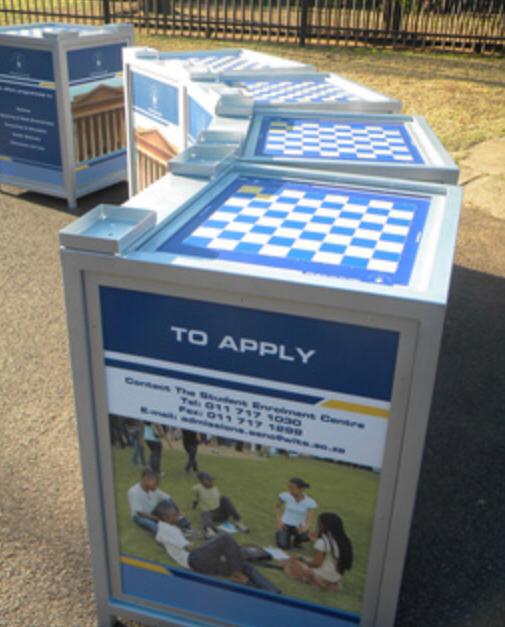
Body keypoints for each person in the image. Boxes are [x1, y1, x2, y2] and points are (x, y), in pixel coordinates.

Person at [155, 504, 279, 593]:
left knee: (244, 565)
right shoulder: (169, 530)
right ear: (166, 518)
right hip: (194, 559)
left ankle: (271, 592)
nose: (177, 517)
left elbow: (159, 540)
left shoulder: (163, 528)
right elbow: (190, 548)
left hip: (198, 565)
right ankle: (237, 573)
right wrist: (212, 551)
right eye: (174, 515)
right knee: (225, 538)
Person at [283, 513, 353, 590]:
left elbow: (316, 564)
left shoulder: (323, 542)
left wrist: (301, 559)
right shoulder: (343, 540)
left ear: (323, 526)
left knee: (292, 561)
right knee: (301, 559)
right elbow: (326, 554)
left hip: (323, 575)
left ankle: (317, 581)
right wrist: (315, 541)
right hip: (334, 576)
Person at [128, 469, 191, 534]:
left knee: (167, 502)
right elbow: (140, 513)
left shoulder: (154, 489)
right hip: (140, 516)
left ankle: (186, 526)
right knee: (152, 525)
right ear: (146, 479)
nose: (156, 486)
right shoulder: (134, 492)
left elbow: (168, 498)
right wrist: (157, 518)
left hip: (154, 511)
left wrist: (179, 511)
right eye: (155, 484)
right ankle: (172, 532)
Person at [192, 471, 249, 537]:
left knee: (224, 498)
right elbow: (195, 499)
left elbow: (219, 500)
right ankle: (209, 531)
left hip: (222, 514)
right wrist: (194, 506)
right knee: (205, 513)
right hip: (211, 515)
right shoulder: (196, 488)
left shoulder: (214, 487)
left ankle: (238, 522)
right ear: (201, 481)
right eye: (209, 480)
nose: (212, 482)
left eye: (212, 480)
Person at [275, 477, 317, 549]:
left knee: (308, 536)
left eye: (292, 488)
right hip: (285, 525)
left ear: (301, 489)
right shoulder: (284, 495)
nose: (290, 490)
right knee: (284, 546)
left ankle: (296, 541)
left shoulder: (310, 502)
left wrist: (305, 529)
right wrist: (279, 521)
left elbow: (309, 520)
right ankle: (281, 533)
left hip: (299, 527)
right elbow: (277, 507)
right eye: (289, 487)